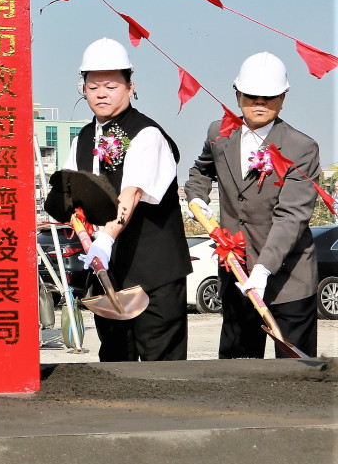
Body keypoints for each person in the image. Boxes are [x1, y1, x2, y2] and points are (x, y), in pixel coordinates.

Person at [62, 37, 191, 362]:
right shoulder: (81, 140)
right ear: (83, 88)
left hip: (155, 276)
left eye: (111, 85)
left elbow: (132, 192)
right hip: (110, 278)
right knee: (115, 367)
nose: (101, 93)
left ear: (130, 87)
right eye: (93, 86)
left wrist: (105, 238)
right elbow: (68, 193)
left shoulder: (147, 134)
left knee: (162, 373)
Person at [185, 52, 319, 358]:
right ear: (237, 94)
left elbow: (292, 216)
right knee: (237, 368)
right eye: (251, 95)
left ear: (284, 97)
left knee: (294, 371)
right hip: (235, 268)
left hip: (289, 278)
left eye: (269, 97)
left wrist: (263, 269)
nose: (260, 103)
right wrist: (196, 196)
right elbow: (201, 172)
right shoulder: (219, 133)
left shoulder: (302, 148)